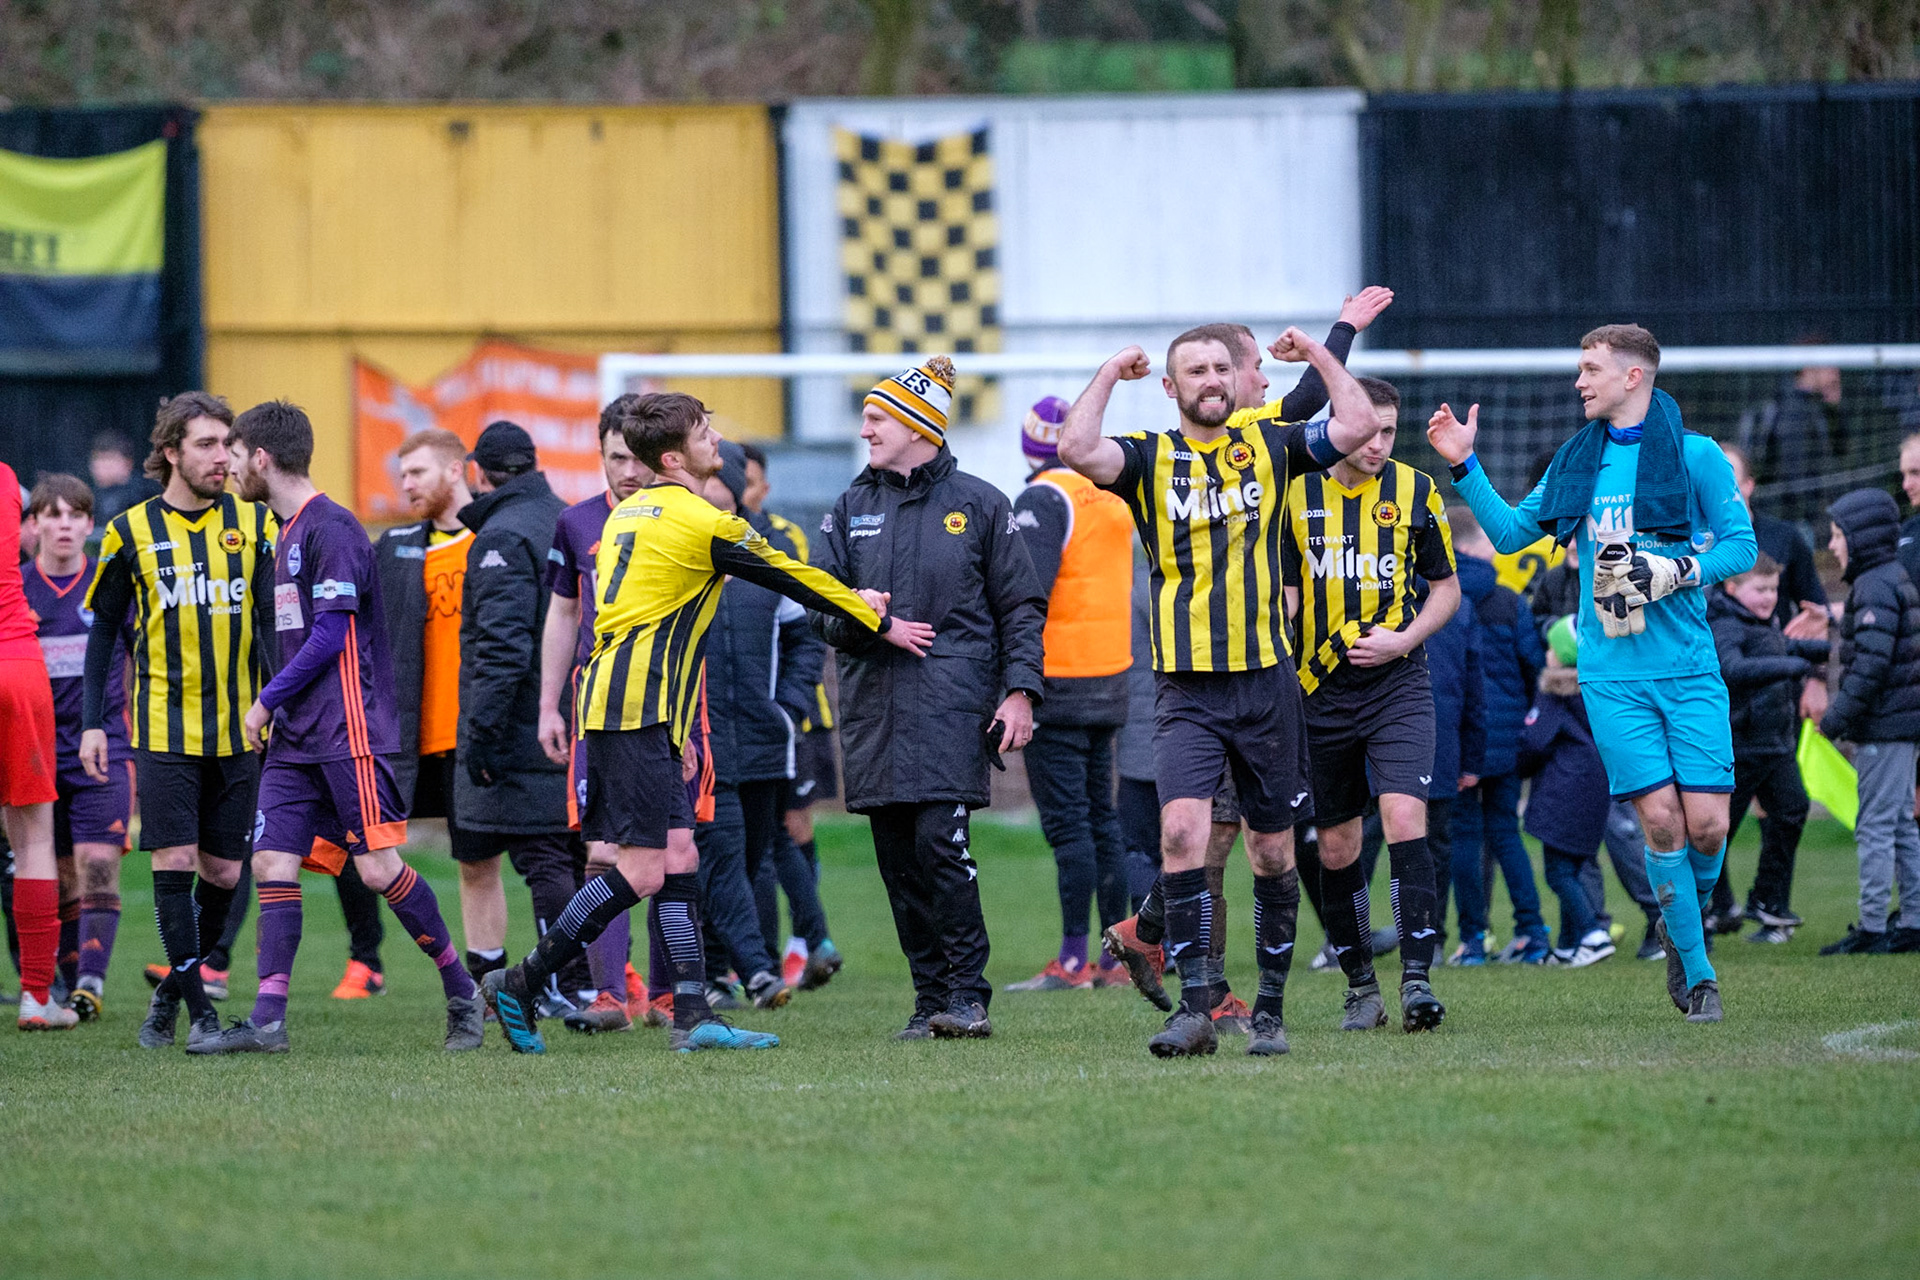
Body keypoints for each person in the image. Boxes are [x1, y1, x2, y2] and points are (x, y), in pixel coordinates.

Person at [480, 391, 908, 1054]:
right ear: (677, 455)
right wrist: (877, 619)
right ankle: (523, 981)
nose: (719, 442)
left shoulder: (629, 514)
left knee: (679, 858)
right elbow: (795, 577)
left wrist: (674, 732)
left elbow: (637, 623)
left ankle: (689, 1013)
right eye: (708, 432)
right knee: (645, 870)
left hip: (636, 711)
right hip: (637, 713)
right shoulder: (702, 521)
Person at [1061, 323, 1380, 1058]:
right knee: (1182, 833)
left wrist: (1322, 355)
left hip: (1266, 685)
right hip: (1186, 689)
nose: (1209, 380)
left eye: (1218, 368)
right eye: (1193, 371)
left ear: (1235, 382)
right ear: (1170, 388)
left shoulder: (1271, 448)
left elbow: (1358, 423)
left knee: (1271, 854)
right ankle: (1197, 1007)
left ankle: (1267, 1009)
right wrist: (1111, 370)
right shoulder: (1147, 458)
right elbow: (1077, 449)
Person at [1428, 323, 1756, 1024]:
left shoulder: (1696, 456)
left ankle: (1679, 922)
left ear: (1633, 377)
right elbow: (1515, 533)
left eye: (1591, 369)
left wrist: (1679, 570)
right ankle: (1699, 980)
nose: (1579, 381)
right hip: (1611, 675)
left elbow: (1742, 546)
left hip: (1690, 670)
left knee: (1706, 827)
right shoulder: (1577, 462)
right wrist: (1465, 465)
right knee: (1661, 823)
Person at [197, 400, 484, 1053]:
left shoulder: (335, 529)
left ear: (262, 458)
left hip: (348, 728)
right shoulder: (282, 530)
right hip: (298, 735)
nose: (229, 467)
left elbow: (331, 634)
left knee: (379, 868)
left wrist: (265, 699)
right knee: (272, 859)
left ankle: (464, 993)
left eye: (236, 456)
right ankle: (268, 1020)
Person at [812, 356, 1046, 1041]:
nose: (866, 431)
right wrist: (855, 611)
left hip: (951, 707)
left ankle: (969, 995)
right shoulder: (849, 507)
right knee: (898, 862)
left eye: (877, 418)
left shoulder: (980, 503)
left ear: (919, 426)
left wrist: (1022, 692)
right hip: (872, 712)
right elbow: (816, 609)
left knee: (941, 846)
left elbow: (1021, 608)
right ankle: (928, 999)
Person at [81, 392, 278, 1049]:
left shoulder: (254, 526)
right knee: (175, 858)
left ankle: (169, 996)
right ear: (171, 453)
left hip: (239, 730)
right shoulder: (130, 531)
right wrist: (92, 722)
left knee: (224, 874)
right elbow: (104, 631)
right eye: (206, 444)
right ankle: (204, 1019)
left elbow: (276, 626)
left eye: (228, 444)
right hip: (162, 729)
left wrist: (278, 702)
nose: (223, 457)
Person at [1282, 375, 1458, 1030]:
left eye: (1389, 431)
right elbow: (1284, 588)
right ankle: (1361, 984)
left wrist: (1405, 638)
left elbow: (1445, 588)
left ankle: (1416, 980)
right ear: (1341, 423)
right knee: (1336, 846)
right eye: (1368, 430)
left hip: (1398, 682)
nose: (1379, 443)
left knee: (1406, 815)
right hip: (1318, 691)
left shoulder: (1415, 490)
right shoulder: (1296, 491)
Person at [456, 421, 590, 1014]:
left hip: (525, 722)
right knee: (569, 853)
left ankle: (566, 983)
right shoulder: (564, 517)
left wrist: (480, 736)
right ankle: (587, 982)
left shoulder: (502, 536)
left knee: (543, 856)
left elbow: (503, 647)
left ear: (479, 473)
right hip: (574, 710)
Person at [1004, 394, 1135, 993]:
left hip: (1058, 681)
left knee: (1068, 828)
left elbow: (1026, 593)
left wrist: (1014, 680)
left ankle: (1074, 959)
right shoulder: (1109, 496)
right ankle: (1115, 958)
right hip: (1111, 678)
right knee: (1102, 822)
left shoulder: (1041, 498)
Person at [536, 396, 656, 1034]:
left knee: (672, 851)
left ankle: (667, 993)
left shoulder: (684, 519)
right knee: (602, 848)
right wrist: (548, 704)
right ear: (601, 455)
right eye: (616, 457)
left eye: (638, 458)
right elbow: (562, 612)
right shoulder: (577, 523)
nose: (628, 470)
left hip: (667, 707)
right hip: (597, 708)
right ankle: (610, 995)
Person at [690, 442, 818, 1012]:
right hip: (700, 742)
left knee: (753, 859)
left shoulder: (764, 559)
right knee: (716, 857)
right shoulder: (677, 555)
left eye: (723, 493)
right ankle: (737, 970)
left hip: (763, 739)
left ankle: (746, 968)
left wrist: (787, 706)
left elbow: (804, 637)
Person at [22, 476, 135, 1021]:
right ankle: (68, 988)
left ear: (91, 525)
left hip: (105, 746)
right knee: (59, 872)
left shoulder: (110, 585)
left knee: (97, 864)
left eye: (75, 515)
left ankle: (90, 983)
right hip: (35, 752)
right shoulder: (17, 590)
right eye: (53, 514)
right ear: (35, 524)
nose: (64, 524)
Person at [735, 441, 844, 994]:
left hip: (794, 719)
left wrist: (793, 703)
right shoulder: (714, 534)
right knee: (769, 832)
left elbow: (804, 621)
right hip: (748, 716)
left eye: (749, 481)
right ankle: (788, 948)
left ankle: (804, 944)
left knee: (788, 827)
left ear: (761, 487)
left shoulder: (782, 538)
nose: (740, 490)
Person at [1444, 506, 1551, 965]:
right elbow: (1534, 666)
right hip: (1504, 738)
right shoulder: (1509, 600)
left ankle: (1472, 940)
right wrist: (1519, 715)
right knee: (1507, 833)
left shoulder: (1433, 599)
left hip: (1457, 733)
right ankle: (1532, 931)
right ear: (1480, 545)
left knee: (1465, 835)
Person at [1816, 490, 1920, 955]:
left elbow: (1871, 667)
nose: (1834, 546)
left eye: (1839, 536)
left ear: (1862, 538)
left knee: (1876, 826)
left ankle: (1874, 927)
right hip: (1899, 726)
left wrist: (1835, 719)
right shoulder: (1888, 577)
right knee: (1900, 823)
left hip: (1885, 727)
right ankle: (1913, 921)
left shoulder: (1875, 585)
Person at [1709, 554, 1826, 943]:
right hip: (1739, 747)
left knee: (1792, 809)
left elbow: (1790, 646)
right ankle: (1714, 908)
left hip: (1775, 745)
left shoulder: (1766, 624)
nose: (1769, 597)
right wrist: (1791, 665)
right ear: (1731, 588)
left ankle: (1768, 901)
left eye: (1774, 589)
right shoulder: (1724, 624)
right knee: (1715, 833)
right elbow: (1733, 669)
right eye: (1760, 589)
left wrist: (1830, 647)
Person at [3, 459, 73, 1031]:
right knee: (34, 840)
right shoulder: (7, 480)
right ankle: (36, 997)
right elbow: (26, 538)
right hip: (17, 662)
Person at [1516, 637, 1617, 966]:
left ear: (1560, 656)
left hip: (1563, 788)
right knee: (1574, 865)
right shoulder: (1600, 691)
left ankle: (1592, 934)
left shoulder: (1554, 692)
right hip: (1598, 786)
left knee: (1558, 872)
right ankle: (1567, 945)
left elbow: (1534, 741)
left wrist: (1518, 768)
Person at [87, 434, 162, 529]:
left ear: (128, 462)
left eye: (109, 458)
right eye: (97, 459)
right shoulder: (91, 496)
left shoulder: (147, 493)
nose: (101, 465)